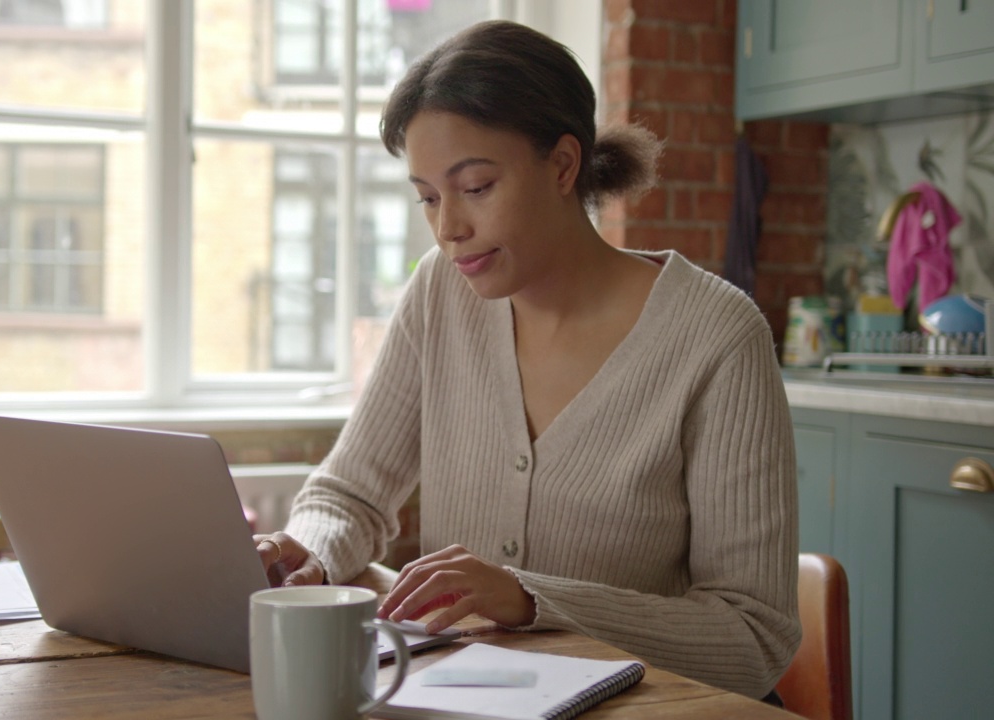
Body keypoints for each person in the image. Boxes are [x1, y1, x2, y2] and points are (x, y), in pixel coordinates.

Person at [253, 19, 800, 701]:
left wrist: (528, 598)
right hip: (465, 703)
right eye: (427, 197)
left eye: (476, 186)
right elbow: (350, 495)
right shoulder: (440, 292)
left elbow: (754, 637)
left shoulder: (717, 336)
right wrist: (309, 554)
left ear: (564, 166)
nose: (448, 227)